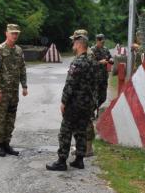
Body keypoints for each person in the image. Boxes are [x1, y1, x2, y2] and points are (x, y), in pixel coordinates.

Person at [46, 29, 96, 171]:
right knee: (81, 131)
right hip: (87, 104)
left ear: (79, 43)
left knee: (65, 131)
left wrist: (63, 102)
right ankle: (79, 160)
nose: (72, 44)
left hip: (74, 104)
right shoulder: (92, 62)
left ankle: (62, 161)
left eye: (74, 41)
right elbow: (95, 84)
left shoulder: (77, 62)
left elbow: (70, 85)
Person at [0, 23, 28, 157]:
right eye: (12, 33)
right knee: (1, 118)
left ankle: (7, 143)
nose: (14, 35)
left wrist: (24, 85)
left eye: (16, 33)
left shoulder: (18, 50)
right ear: (6, 33)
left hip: (14, 92)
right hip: (2, 92)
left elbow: (22, 68)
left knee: (11, 118)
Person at [91, 34, 113, 110]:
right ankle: (91, 113)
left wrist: (111, 60)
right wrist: (100, 62)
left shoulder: (106, 49)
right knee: (94, 97)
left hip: (104, 77)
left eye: (103, 42)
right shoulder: (92, 50)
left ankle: (95, 109)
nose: (102, 43)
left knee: (103, 97)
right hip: (95, 78)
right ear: (97, 41)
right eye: (100, 41)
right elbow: (89, 63)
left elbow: (110, 58)